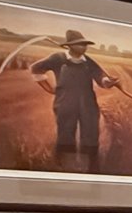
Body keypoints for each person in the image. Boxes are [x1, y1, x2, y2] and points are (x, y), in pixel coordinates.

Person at [31, 29, 119, 171]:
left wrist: (108, 82)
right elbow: (35, 68)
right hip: (65, 103)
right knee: (65, 134)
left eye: (85, 44)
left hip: (88, 104)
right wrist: (48, 88)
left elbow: (101, 78)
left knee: (91, 133)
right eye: (80, 44)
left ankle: (91, 167)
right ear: (70, 46)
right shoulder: (57, 58)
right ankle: (63, 167)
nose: (84, 47)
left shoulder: (89, 61)